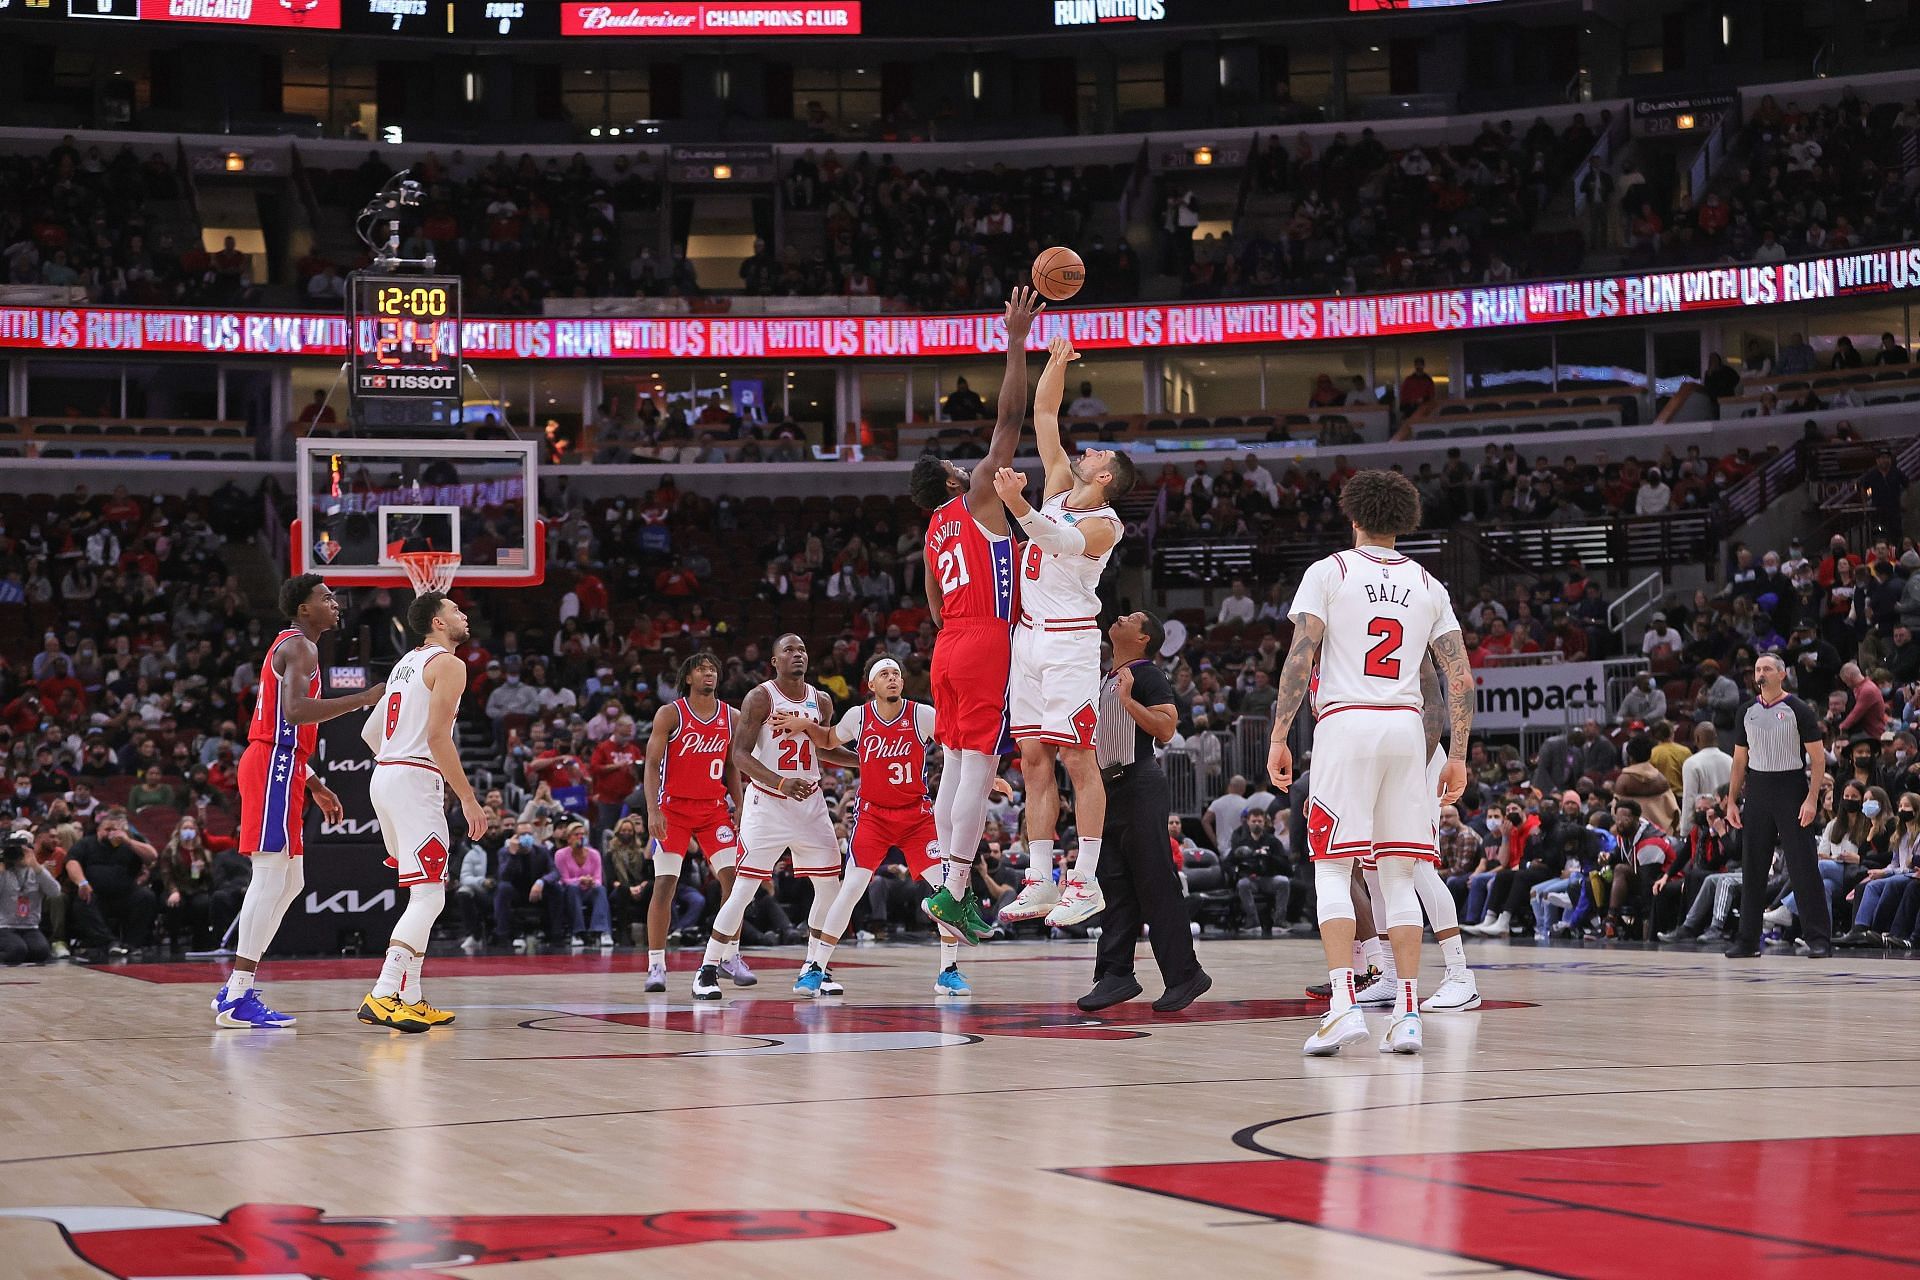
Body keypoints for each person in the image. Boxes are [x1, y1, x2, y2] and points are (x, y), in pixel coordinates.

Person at [1267, 470, 1472, 1056]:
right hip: (1407, 730)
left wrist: (1280, 733)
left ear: (1353, 517)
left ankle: (1341, 1007)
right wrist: (1457, 754)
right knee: (1398, 875)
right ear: (1404, 521)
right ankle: (1408, 1012)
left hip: (1347, 723)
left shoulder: (1328, 572)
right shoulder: (1429, 584)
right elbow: (1458, 677)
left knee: (1333, 870)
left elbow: (1299, 657)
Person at [990, 335, 1131, 929]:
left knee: (1078, 760)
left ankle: (1087, 880)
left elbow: (1060, 541)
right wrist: (1055, 363)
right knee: (1032, 761)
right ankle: (1039, 879)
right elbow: (1045, 413)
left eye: (1098, 453)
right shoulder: (1054, 485)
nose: (1087, 449)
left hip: (1071, 640)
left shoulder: (1105, 522)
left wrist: (1019, 509)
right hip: (1027, 639)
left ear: (1106, 478)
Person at [915, 286, 1038, 946]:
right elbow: (1011, 420)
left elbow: (933, 601)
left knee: (956, 771)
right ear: (951, 481)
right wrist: (1016, 341)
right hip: (987, 638)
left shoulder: (933, 529)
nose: (970, 463)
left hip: (949, 644)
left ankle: (948, 882)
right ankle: (956, 890)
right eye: (956, 466)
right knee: (980, 771)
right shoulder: (979, 498)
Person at [213, 575, 382, 1029]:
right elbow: (293, 713)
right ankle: (237, 994)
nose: (335, 603)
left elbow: (288, 727)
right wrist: (363, 699)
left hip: (285, 766)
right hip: (272, 765)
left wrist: (314, 782)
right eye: (326, 598)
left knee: (291, 883)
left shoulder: (298, 648)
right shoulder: (301, 647)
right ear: (304, 609)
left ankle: (236, 990)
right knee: (269, 877)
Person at [779, 655, 998, 997]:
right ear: (871, 685)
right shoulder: (858, 717)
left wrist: (987, 773)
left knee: (947, 890)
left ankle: (948, 971)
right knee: (850, 888)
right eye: (884, 674)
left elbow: (958, 742)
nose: (892, 678)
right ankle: (816, 968)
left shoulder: (922, 715)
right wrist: (804, 726)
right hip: (874, 816)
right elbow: (827, 740)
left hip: (916, 817)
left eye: (896, 673)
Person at [692, 634, 853, 1001]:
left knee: (830, 888)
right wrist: (780, 781)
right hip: (767, 803)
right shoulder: (761, 697)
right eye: (789, 651)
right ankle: (707, 967)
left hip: (810, 803)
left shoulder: (821, 700)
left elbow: (826, 749)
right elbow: (740, 756)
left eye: (803, 649)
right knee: (743, 889)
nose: (798, 655)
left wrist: (869, 761)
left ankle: (817, 965)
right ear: (774, 662)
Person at [356, 590, 486, 1032]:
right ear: (436, 622)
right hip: (412, 779)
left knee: (421, 894)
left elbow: (371, 732)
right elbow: (437, 738)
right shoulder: (450, 664)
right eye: (454, 610)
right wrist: (468, 797)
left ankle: (409, 995)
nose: (462, 614)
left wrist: (396, 760)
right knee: (431, 895)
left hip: (387, 776)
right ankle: (383, 992)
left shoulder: (404, 663)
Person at [1076, 610, 1210, 1012]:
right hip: (1105, 790)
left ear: (1143, 638)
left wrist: (1129, 700)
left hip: (1138, 781)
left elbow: (1167, 729)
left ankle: (1185, 974)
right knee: (1114, 885)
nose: (1119, 616)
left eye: (1131, 618)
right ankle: (1115, 975)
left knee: (1155, 881)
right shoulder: (1104, 677)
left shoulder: (1146, 674)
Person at [641, 650, 745, 993]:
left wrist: (740, 805)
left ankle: (729, 955)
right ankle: (657, 965)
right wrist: (653, 811)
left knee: (735, 881)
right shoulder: (670, 714)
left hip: (714, 809)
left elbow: (732, 766)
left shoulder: (732, 716)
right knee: (665, 884)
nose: (709, 674)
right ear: (688, 677)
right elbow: (651, 764)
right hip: (673, 810)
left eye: (713, 669)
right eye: (701, 669)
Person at [1726, 653, 1830, 958]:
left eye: (1767, 668)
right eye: (1758, 669)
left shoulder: (1798, 709)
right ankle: (1747, 940)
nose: (1761, 673)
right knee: (1753, 867)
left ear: (1781, 674)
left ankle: (1819, 938)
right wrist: (1732, 800)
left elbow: (1819, 758)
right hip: (1757, 789)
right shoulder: (1746, 711)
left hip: (1791, 788)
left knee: (1803, 866)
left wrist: (1811, 799)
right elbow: (1739, 761)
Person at [0, 830, 58, 965]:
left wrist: (36, 866)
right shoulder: (3, 871)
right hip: (3, 926)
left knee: (41, 952)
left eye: (23, 849)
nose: (19, 854)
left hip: (30, 927)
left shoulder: (37, 871)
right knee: (16, 950)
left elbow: (55, 892)